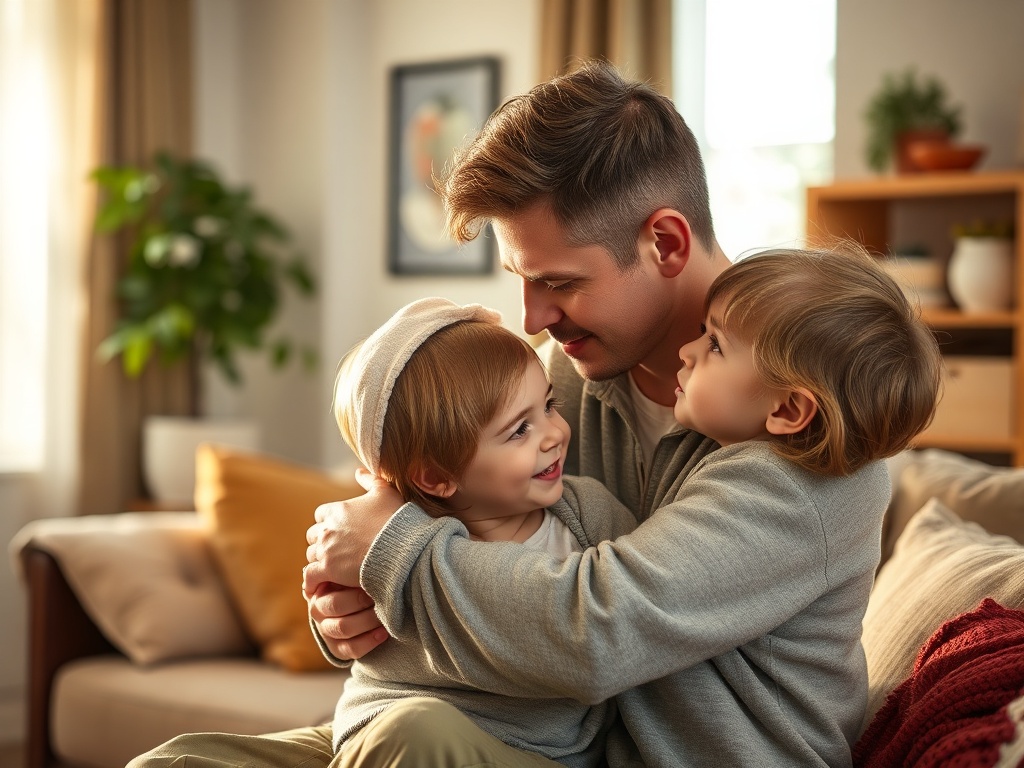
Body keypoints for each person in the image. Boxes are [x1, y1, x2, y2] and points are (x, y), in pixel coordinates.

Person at [302, 61, 941, 767]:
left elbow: (595, 631)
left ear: (664, 243)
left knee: (409, 745)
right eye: (523, 281)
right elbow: (449, 529)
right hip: (530, 733)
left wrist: (389, 555)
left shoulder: (818, 455)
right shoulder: (567, 384)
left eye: (559, 283)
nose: (534, 319)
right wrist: (353, 604)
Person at [129, 296, 637, 768]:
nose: (553, 433)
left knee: (416, 733)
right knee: (171, 761)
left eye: (548, 406)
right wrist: (330, 625)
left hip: (526, 753)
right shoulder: (379, 532)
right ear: (436, 476)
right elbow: (342, 627)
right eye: (519, 430)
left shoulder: (584, 514)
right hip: (367, 736)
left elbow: (625, 619)